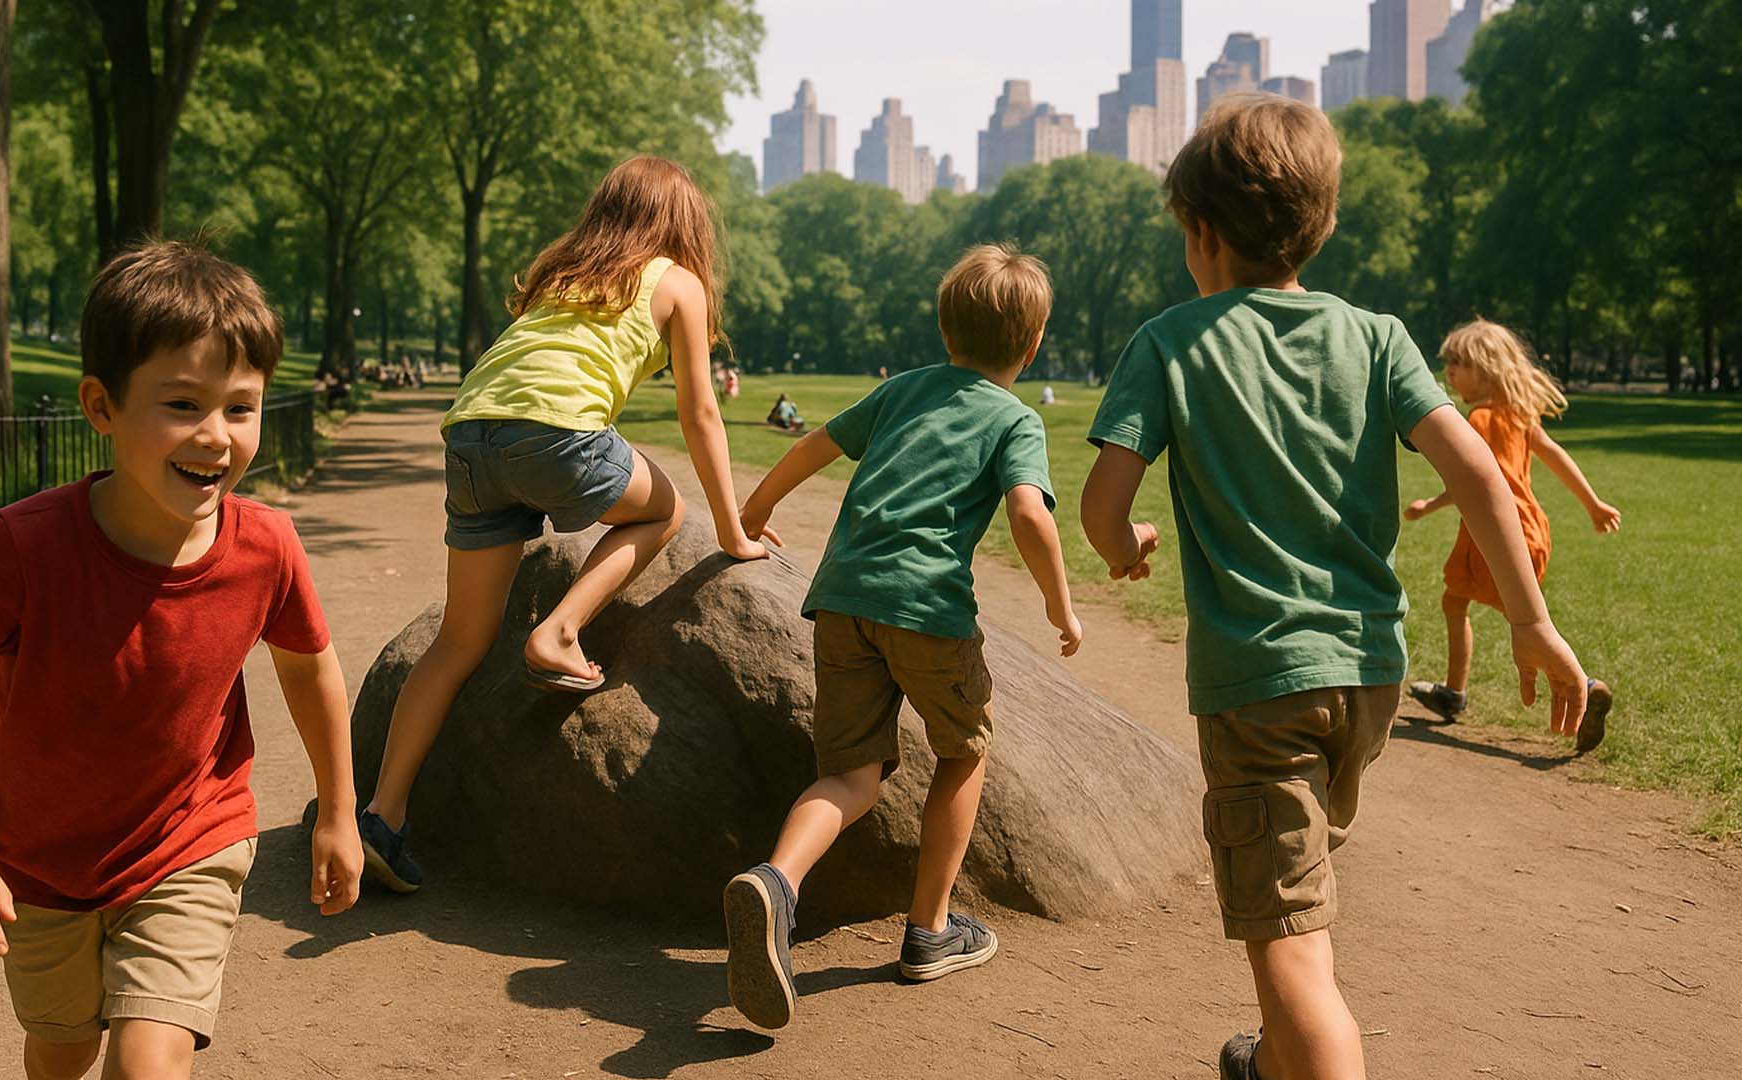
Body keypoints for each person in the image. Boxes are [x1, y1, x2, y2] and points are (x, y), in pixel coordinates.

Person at [1077, 93, 1587, 1080]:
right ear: (1325, 224)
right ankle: (1271, 1061)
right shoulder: (1379, 337)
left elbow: (1103, 507)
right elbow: (1480, 475)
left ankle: (1303, 1052)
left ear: (1198, 230)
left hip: (1258, 687)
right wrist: (1531, 619)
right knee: (1288, 902)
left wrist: (1125, 544)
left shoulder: (1170, 342)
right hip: (1367, 679)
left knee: (1297, 946)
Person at [0, 240, 363, 1080]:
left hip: (191, 841)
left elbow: (310, 669)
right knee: (62, 1052)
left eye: (241, 407)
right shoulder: (25, 548)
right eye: (182, 404)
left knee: (146, 1061)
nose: (216, 436)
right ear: (101, 406)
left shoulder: (266, 546)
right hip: (41, 864)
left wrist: (341, 812)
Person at [357, 155, 772, 894]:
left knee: (459, 640)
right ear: (684, 226)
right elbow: (700, 411)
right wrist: (733, 529)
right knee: (666, 506)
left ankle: (381, 818)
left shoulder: (561, 272)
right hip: (557, 436)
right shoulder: (677, 283)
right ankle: (559, 631)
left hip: (471, 436)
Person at [723, 244, 1081, 1030]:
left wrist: (751, 512)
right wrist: (1061, 606)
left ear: (945, 328)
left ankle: (777, 883)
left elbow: (814, 445)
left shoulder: (902, 391)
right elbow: (1028, 513)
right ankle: (929, 930)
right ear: (1032, 344)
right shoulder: (1014, 416)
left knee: (851, 777)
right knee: (963, 752)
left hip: (843, 600)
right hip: (929, 613)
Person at [1405, 318, 1620, 750]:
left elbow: (1481, 483)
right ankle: (1453, 692)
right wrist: (1592, 504)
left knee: (1523, 621)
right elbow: (1556, 457)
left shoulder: (1480, 418)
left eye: (1457, 363)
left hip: (1500, 531)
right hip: (1531, 528)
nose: (1449, 372)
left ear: (1484, 369)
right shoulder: (1520, 415)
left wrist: (1431, 504)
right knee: (1460, 600)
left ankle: (1584, 682)